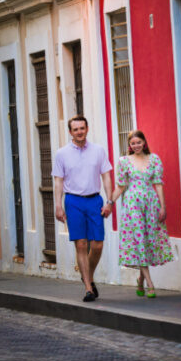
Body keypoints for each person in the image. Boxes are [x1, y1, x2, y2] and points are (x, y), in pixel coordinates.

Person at [52, 115, 114, 302]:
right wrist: (58, 205)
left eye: (82, 128)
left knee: (97, 245)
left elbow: (106, 177)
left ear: (87, 129)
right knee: (81, 244)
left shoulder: (98, 150)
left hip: (94, 200)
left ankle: (88, 274)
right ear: (70, 132)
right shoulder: (61, 154)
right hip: (73, 201)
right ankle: (88, 287)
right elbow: (58, 181)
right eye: (75, 129)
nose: (79, 132)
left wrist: (109, 201)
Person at [109, 130, 174, 298]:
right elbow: (121, 186)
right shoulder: (124, 161)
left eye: (138, 142)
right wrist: (109, 203)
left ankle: (140, 281)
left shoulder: (154, 159)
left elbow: (158, 183)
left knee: (148, 241)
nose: (136, 145)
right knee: (138, 241)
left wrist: (163, 207)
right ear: (129, 145)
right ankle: (151, 285)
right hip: (132, 205)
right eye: (133, 143)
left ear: (144, 142)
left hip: (150, 204)